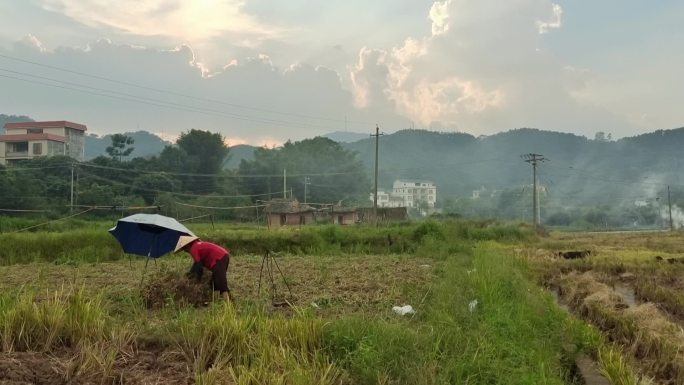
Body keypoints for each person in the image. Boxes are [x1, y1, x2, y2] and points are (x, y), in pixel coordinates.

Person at [174, 235, 231, 302]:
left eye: (184, 249)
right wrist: (189, 274)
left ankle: (228, 305)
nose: (186, 251)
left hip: (219, 258)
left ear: (187, 246)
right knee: (213, 283)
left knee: (220, 282)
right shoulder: (197, 245)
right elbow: (196, 264)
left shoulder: (193, 248)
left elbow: (199, 267)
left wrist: (197, 280)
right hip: (222, 256)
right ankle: (216, 302)